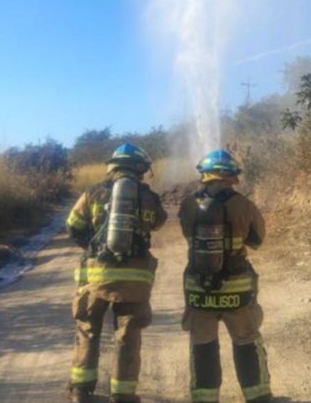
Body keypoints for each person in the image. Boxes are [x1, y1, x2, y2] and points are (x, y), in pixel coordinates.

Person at [65, 143, 168, 403]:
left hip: (96, 278)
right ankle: (123, 395)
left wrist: (94, 247)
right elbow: (158, 221)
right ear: (140, 168)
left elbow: (73, 226)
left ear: (113, 166)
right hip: (134, 283)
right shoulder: (148, 197)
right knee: (128, 336)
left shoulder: (93, 193)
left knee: (88, 330)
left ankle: (80, 391)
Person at [178, 149, 272, 403]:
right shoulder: (245, 205)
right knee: (246, 341)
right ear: (232, 176)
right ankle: (259, 398)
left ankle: (205, 399)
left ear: (204, 175)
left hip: (199, 290)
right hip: (236, 290)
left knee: (202, 344)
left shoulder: (187, 205)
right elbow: (257, 241)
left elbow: (187, 235)